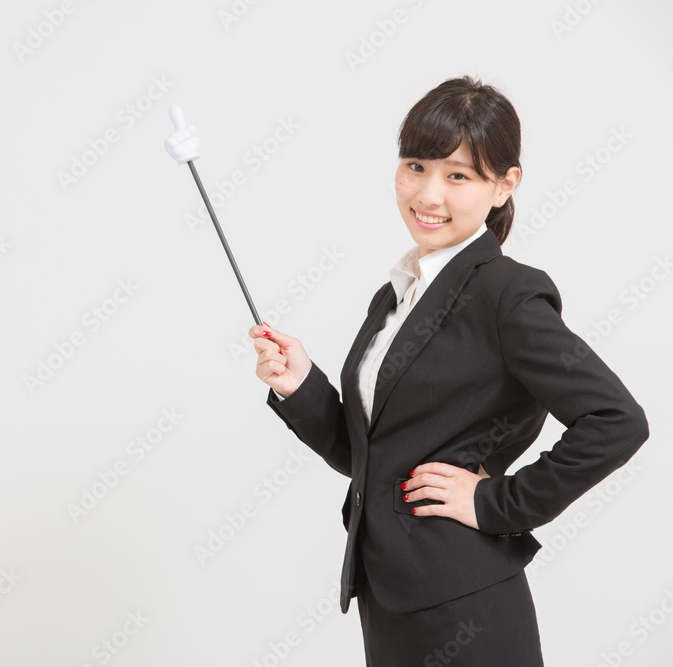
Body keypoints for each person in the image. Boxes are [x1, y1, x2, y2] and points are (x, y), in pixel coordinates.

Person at [248, 76, 650, 665]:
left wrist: (495, 502)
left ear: (504, 185)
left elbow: (617, 421)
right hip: (388, 599)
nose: (428, 194)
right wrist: (301, 387)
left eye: (458, 176)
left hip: (466, 608)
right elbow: (375, 460)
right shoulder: (398, 294)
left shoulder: (508, 295)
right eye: (416, 166)